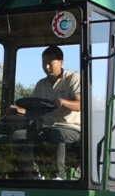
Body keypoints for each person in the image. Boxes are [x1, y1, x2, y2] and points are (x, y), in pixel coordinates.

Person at [7, 45, 81, 179]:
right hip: (45, 127)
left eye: (51, 63)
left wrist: (64, 102)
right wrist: (18, 110)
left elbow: (80, 105)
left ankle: (59, 176)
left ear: (61, 62)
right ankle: (32, 173)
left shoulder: (73, 78)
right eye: (44, 62)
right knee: (17, 136)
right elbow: (34, 110)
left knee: (56, 134)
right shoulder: (41, 84)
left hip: (71, 128)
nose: (47, 67)